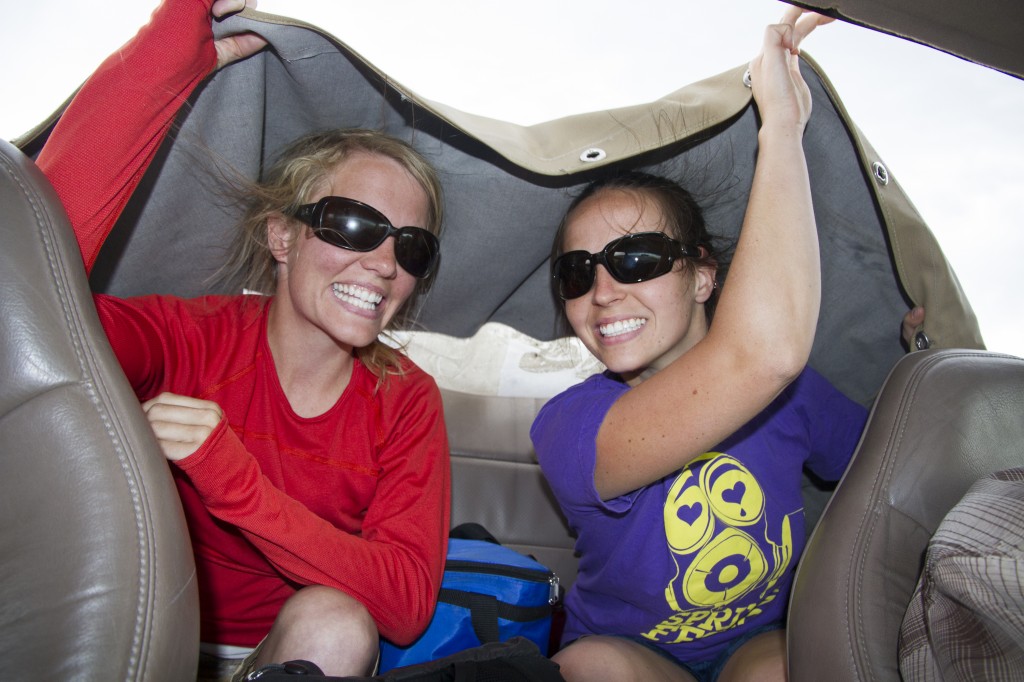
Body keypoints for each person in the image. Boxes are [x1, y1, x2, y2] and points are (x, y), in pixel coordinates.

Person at [35, 0, 450, 679]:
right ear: (281, 236)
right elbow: (27, 294)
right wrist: (164, 59)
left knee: (336, 625)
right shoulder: (186, 339)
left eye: (412, 247)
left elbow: (403, 604)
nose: (383, 263)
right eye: (351, 224)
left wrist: (231, 477)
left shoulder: (405, 400)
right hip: (134, 640)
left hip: (274, 656)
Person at [529, 9, 912, 681]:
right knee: (587, 669)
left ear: (704, 275)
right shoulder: (566, 427)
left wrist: (918, 369)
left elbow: (886, 470)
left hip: (755, 643)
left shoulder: (794, 397)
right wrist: (782, 125)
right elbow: (759, 356)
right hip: (632, 652)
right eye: (576, 271)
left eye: (637, 258)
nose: (603, 289)